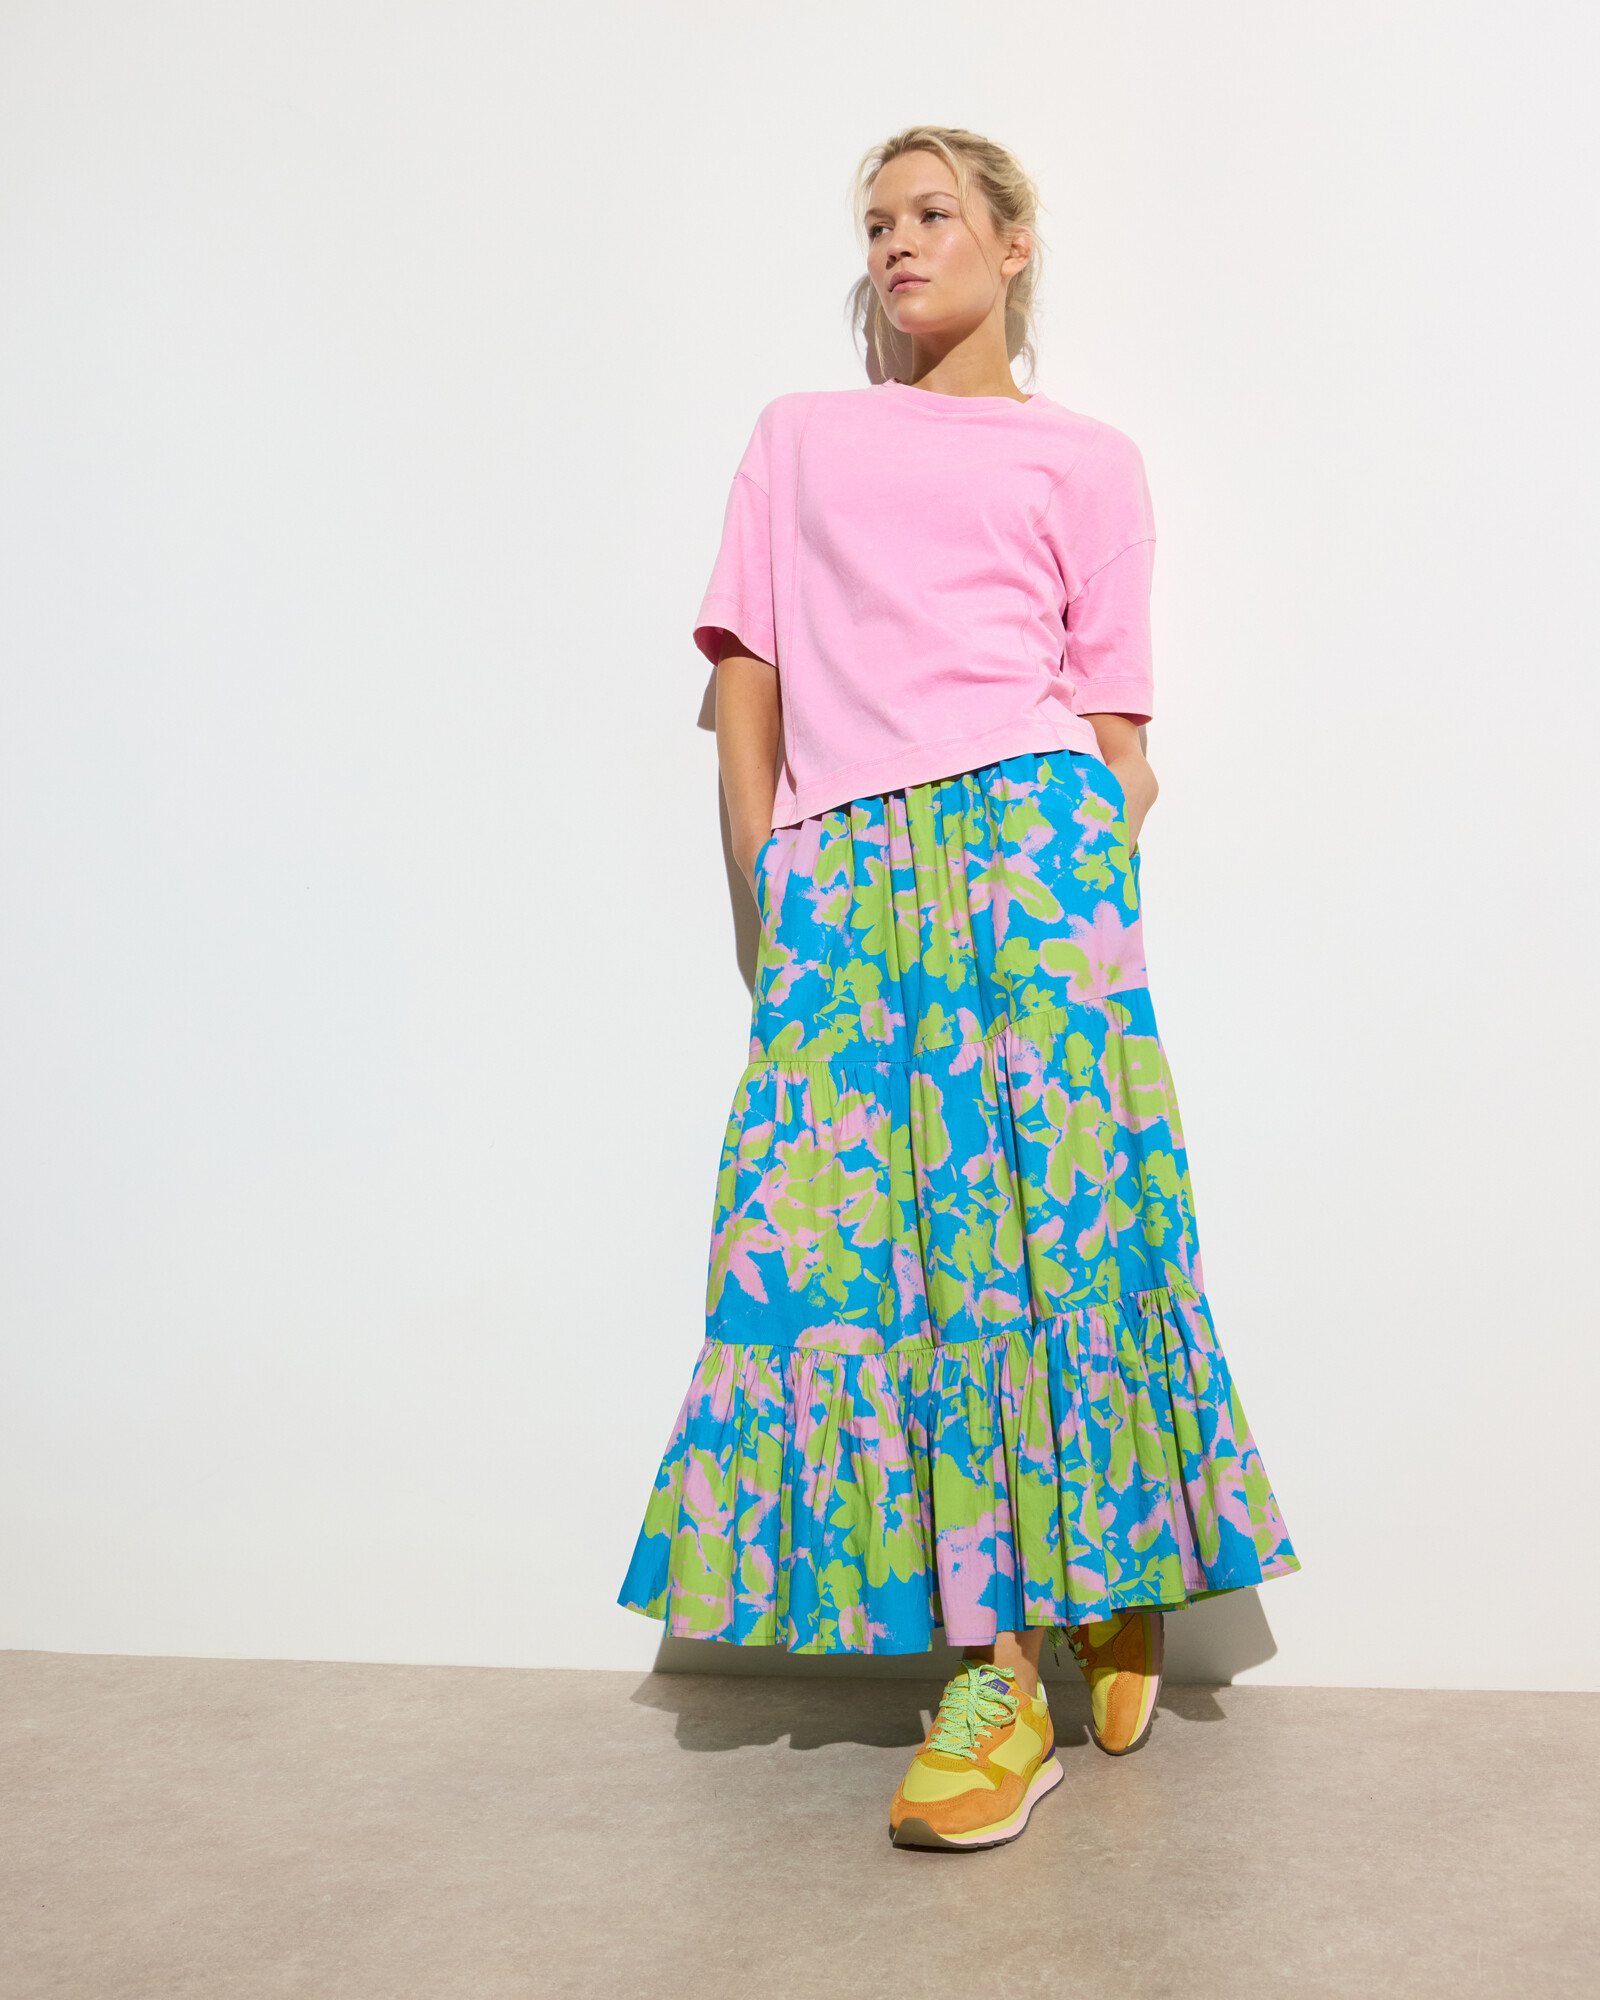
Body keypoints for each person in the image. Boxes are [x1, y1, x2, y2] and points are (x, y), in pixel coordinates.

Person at [619, 123, 1298, 1851]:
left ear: (1012, 243)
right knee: (839, 1248)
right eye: (878, 224)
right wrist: (772, 883)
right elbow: (749, 674)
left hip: (1030, 852)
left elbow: (1119, 729)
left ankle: (1006, 1683)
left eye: (932, 214)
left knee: (1048, 1234)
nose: (899, 244)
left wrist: (1080, 864)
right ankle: (1093, 1584)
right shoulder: (800, 436)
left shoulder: (1089, 460)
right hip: (849, 865)